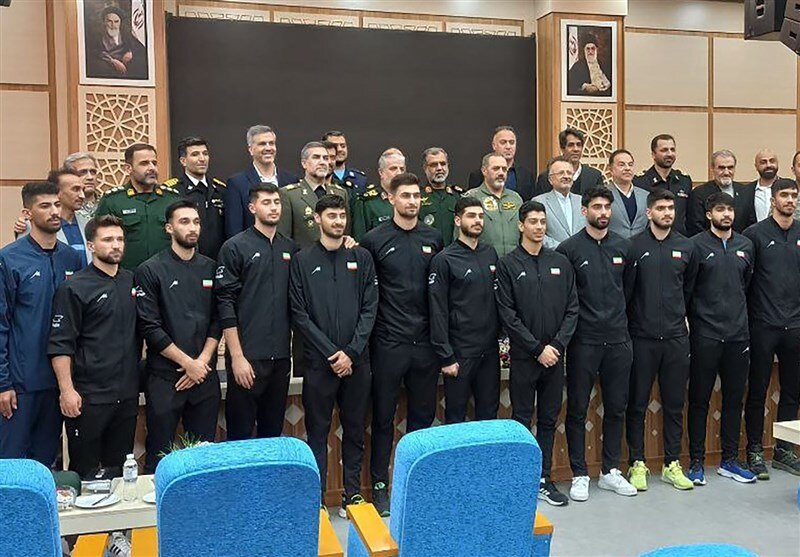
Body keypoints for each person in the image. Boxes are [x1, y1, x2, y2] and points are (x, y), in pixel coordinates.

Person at [360, 172, 443, 517]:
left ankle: (417, 485)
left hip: (425, 344)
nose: (411, 201)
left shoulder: (433, 238)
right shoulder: (373, 240)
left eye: (416, 196)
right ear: (391, 198)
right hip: (388, 343)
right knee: (383, 418)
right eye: (405, 195)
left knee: (422, 419)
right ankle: (380, 487)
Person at [289, 194, 377, 516]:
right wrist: (332, 353)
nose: (338, 221)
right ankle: (318, 500)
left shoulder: (361, 257)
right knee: (317, 433)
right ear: (317, 219)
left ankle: (352, 495)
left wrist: (351, 353)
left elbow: (370, 308)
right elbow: (299, 314)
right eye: (332, 216)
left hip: (357, 362)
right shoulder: (302, 260)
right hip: (319, 364)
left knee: (355, 431)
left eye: (342, 216)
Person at [495, 199, 578, 507]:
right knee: (520, 418)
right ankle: (520, 480)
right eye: (533, 222)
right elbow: (507, 314)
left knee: (548, 419)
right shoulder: (508, 265)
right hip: (524, 357)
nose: (539, 227)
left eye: (543, 222)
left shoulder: (560, 262)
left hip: (555, 358)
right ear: (521, 225)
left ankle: (543, 478)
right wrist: (536, 348)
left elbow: (572, 308)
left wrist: (556, 346)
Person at [556, 186, 636, 501]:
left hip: (618, 339)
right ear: (584, 210)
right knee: (577, 409)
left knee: (616, 407)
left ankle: (610, 471)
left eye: (607, 207)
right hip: (583, 341)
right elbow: (566, 298)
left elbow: (628, 291)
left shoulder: (624, 247)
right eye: (597, 207)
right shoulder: (568, 249)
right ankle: (579, 473)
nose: (603, 212)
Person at [48, 216, 138, 479]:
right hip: (89, 398)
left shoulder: (131, 281)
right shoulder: (74, 288)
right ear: (91, 245)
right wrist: (67, 391)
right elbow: (60, 344)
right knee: (85, 474)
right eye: (107, 239)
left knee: (120, 474)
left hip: (126, 396)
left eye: (119, 239)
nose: (115, 245)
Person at [135, 201, 221, 473]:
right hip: (165, 378)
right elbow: (150, 327)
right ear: (169, 228)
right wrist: (187, 363)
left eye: (196, 222)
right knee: (160, 456)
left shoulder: (211, 267)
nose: (192, 227)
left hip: (204, 376)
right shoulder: (150, 269)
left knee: (204, 459)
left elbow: (218, 320)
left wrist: (201, 363)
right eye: (184, 222)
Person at [0, 182, 82, 465]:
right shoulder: (9, 259)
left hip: (59, 381)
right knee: (11, 465)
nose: (54, 211)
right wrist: (3, 383)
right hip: (20, 383)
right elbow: (1, 324)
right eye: (45, 206)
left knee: (47, 462)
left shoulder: (71, 257)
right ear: (28, 213)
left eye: (57, 204)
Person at [624, 189, 698, 492]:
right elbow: (627, 292)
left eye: (671, 208)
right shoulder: (633, 246)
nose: (667, 213)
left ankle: (671, 464)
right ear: (649, 212)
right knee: (637, 404)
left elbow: (688, 289)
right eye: (661, 208)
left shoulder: (686, 246)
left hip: (676, 338)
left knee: (674, 404)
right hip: (641, 338)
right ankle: (637, 463)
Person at [215, 183, 297, 441]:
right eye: (266, 202)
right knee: (240, 437)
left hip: (281, 357)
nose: (273, 208)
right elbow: (225, 303)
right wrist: (237, 357)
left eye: (277, 202)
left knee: (272, 435)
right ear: (252, 208)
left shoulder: (290, 248)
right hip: (247, 358)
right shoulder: (235, 247)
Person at [686, 192, 756, 485]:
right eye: (720, 210)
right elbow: (688, 290)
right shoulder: (695, 246)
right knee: (699, 400)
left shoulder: (746, 245)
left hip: (738, 335)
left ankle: (729, 460)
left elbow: (747, 285)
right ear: (708, 214)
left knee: (734, 400)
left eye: (729, 209)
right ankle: (696, 462)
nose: (726, 214)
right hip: (705, 335)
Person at [743, 179, 800, 478]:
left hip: (795, 325)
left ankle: (784, 450)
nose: (790, 200)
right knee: (758, 390)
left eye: (794, 195)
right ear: (773, 199)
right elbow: (744, 280)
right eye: (784, 195)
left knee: (792, 391)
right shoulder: (754, 234)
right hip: (763, 324)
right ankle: (754, 449)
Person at [428, 196, 500, 424]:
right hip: (460, 352)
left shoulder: (490, 254)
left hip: (489, 351)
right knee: (456, 417)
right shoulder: (444, 259)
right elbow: (437, 310)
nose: (477, 221)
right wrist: (446, 355)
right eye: (471, 216)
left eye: (480, 216)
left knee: (489, 417)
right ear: (458, 221)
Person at [95, 143, 180, 269]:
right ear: (128, 168)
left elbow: (185, 237)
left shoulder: (172, 199)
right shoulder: (112, 201)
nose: (152, 168)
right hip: (128, 274)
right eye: (144, 163)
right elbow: (100, 242)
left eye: (154, 163)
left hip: (168, 273)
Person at [224, 125, 299, 238]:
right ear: (250, 149)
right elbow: (234, 230)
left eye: (271, 143)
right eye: (262, 144)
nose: (268, 148)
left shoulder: (291, 180)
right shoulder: (237, 183)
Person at [162, 136, 227, 259]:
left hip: (219, 259)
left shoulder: (220, 189)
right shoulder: (172, 191)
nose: (202, 159)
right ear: (183, 161)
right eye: (195, 154)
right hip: (186, 260)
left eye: (205, 154)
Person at [278, 141, 351, 246]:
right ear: (304, 163)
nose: (322, 162)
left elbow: (346, 233)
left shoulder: (340, 193)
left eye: (325, 158)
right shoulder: (289, 195)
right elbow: (283, 238)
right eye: (316, 157)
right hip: (303, 255)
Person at [16, 169, 91, 266]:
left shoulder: (88, 224)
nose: (82, 195)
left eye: (83, 190)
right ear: (57, 192)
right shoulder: (31, 225)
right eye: (75, 189)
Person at [465, 153, 524, 257]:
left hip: (513, 261)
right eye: (496, 169)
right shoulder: (472, 197)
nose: (501, 173)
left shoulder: (516, 198)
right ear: (484, 171)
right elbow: (461, 237)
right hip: (482, 260)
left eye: (504, 169)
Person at [633, 134, 693, 236]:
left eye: (672, 150)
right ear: (653, 154)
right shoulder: (640, 182)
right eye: (664, 150)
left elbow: (689, 216)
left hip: (680, 240)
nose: (669, 154)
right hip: (651, 240)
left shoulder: (684, 180)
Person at [687, 150, 756, 236]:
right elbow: (695, 226)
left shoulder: (745, 191)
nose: (726, 172)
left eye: (730, 168)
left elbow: (751, 223)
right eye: (721, 168)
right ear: (712, 169)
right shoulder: (699, 193)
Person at [467, 126, 536, 200]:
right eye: (503, 142)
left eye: (512, 142)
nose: (508, 147)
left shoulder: (527, 176)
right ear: (494, 146)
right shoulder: (478, 175)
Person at [352, 149, 406, 240]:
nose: (399, 173)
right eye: (393, 168)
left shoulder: (411, 199)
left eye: (402, 169)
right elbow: (360, 239)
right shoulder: (366, 202)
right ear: (381, 172)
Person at [535, 128, 604, 196]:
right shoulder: (546, 178)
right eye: (571, 145)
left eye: (579, 145)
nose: (576, 149)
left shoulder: (594, 176)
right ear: (562, 149)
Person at [533, 156, 585, 247]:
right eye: (561, 173)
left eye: (569, 173)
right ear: (550, 179)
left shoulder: (582, 201)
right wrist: (562, 248)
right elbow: (536, 232)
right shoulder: (539, 202)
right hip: (554, 253)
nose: (566, 176)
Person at [419, 147, 465, 245]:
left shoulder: (458, 196)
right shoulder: (417, 197)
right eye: (434, 165)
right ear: (425, 168)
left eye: (443, 164)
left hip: (454, 251)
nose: (439, 168)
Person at [88, 6, 146, 80]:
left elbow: (139, 48)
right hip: (108, 65)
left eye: (116, 21)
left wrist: (130, 52)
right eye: (109, 21)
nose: (113, 25)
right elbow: (95, 52)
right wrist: (112, 61)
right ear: (104, 22)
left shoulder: (126, 34)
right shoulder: (97, 37)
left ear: (120, 23)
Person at [606, 149, 649, 239]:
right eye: (622, 165)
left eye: (630, 164)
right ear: (610, 169)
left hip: (640, 245)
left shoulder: (645, 196)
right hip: (612, 245)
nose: (627, 168)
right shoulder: (603, 194)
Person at [323, 131, 368, 197]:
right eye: (334, 146)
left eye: (343, 146)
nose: (339, 149)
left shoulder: (360, 178)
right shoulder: (320, 176)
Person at [64, 152, 101, 218]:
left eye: (93, 172)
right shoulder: (64, 207)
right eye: (83, 172)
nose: (90, 177)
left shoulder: (106, 204)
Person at [748, 149, 780, 223]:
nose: (768, 165)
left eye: (772, 161)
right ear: (756, 166)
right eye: (763, 162)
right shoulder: (746, 191)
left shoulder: (788, 188)